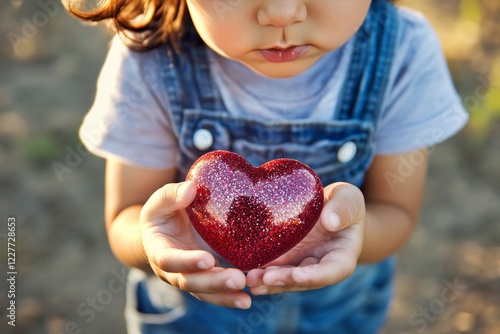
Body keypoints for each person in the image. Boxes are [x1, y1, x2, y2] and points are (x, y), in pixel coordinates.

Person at [64, 0, 469, 333]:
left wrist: (354, 236)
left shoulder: (401, 52)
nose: (281, 12)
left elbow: (395, 212)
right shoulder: (151, 56)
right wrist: (154, 244)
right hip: (193, 319)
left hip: (339, 314)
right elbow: (125, 218)